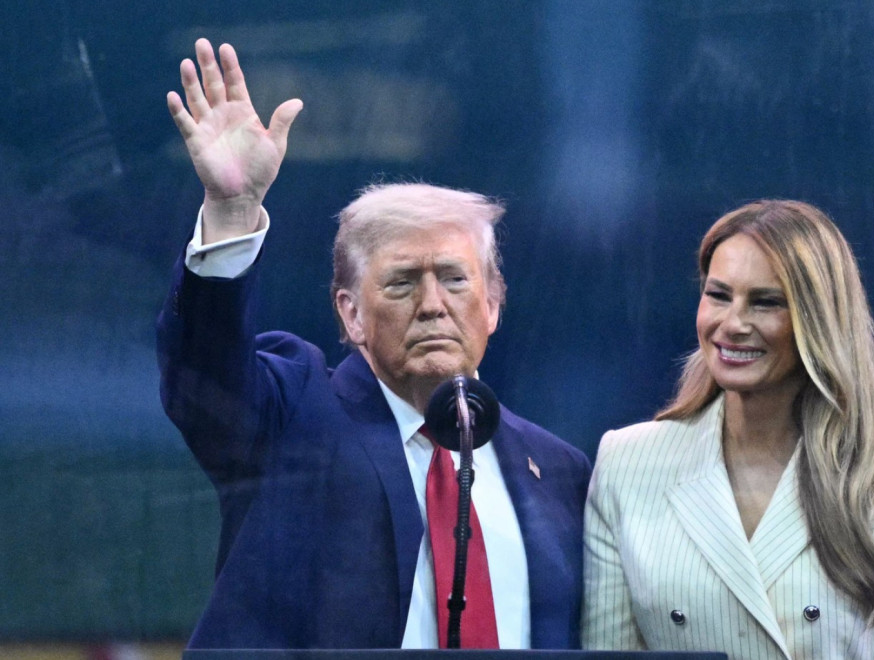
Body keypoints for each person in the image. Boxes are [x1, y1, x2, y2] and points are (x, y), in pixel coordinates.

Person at [157, 38, 591, 650]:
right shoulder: (292, 415)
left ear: (493, 305)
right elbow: (206, 373)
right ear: (351, 313)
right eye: (402, 283)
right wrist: (231, 213)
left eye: (455, 279)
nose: (433, 303)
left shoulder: (558, 469)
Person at [581, 200, 874, 659]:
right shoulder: (626, 462)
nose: (733, 324)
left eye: (765, 302)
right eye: (718, 295)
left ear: (818, 318)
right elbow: (608, 652)